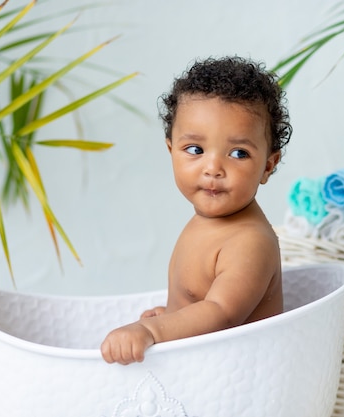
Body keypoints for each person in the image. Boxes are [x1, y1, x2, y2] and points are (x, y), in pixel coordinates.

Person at [100, 56, 292, 365]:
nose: (213, 168)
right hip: (201, 371)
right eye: (195, 150)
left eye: (238, 153)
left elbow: (221, 312)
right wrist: (172, 315)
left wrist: (152, 329)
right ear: (171, 150)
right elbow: (200, 302)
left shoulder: (249, 241)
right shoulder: (205, 222)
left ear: (268, 165)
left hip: (240, 377)